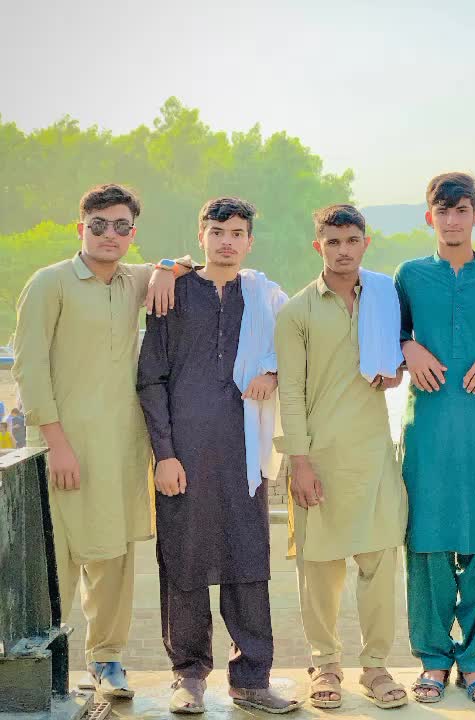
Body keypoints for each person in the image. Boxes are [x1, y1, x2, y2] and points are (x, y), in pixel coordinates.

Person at [12, 183, 186, 698]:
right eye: (99, 225)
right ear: (80, 228)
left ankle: (107, 659)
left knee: (114, 558)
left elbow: (187, 263)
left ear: (132, 233)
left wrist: (166, 268)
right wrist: (56, 443)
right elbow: (29, 367)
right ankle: (41, 665)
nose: (110, 234)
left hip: (122, 446)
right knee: (56, 557)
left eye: (122, 226)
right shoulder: (50, 283)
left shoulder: (134, 280)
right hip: (64, 446)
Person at [137, 197, 298, 714]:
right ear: (201, 235)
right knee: (183, 564)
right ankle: (188, 678)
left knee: (248, 563)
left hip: (244, 453)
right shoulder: (173, 292)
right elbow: (151, 378)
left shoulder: (265, 296)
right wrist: (164, 454)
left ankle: (251, 680)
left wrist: (273, 372)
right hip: (183, 453)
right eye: (217, 231)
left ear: (250, 241)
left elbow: (294, 350)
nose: (226, 241)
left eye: (237, 233)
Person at [396, 172, 475, 704]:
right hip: (427, 432)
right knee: (426, 542)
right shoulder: (409, 276)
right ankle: (432, 660)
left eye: (462, 209)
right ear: (430, 216)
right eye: (443, 211)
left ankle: (474, 661)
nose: (452, 220)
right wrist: (407, 346)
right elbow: (381, 333)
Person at [275, 204, 408, 711]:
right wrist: (300, 461)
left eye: (352, 240)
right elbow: (290, 392)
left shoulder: (384, 298)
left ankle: (375, 667)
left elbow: (397, 355)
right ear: (319, 247)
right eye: (333, 242)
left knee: (379, 564)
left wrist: (396, 368)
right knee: (320, 570)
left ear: (365, 243)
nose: (343, 251)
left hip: (373, 453)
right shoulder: (297, 312)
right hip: (319, 457)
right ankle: (325, 665)